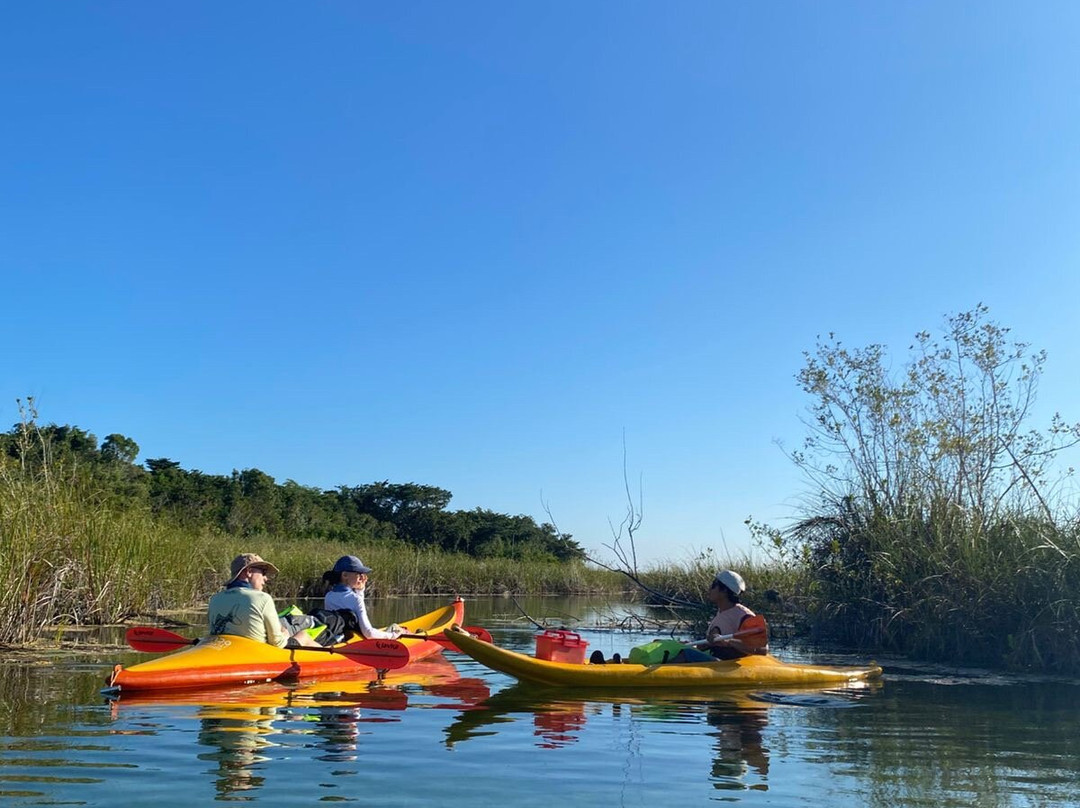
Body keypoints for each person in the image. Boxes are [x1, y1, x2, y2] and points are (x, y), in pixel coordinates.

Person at [208, 553, 322, 648]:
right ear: (249, 571)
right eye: (263, 572)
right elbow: (278, 643)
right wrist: (285, 635)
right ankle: (335, 662)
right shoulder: (262, 598)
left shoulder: (215, 599)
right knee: (303, 636)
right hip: (260, 653)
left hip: (228, 649)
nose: (265, 578)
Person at [322, 555, 404, 640]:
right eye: (359, 574)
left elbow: (348, 601)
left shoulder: (329, 596)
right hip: (357, 641)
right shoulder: (355, 599)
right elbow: (368, 632)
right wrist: (392, 636)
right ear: (345, 575)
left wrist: (360, 590)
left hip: (340, 638)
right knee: (395, 627)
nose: (362, 577)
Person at [698, 569, 767, 660]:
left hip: (729, 665)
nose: (709, 589)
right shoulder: (721, 612)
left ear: (725, 591)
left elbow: (761, 649)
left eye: (714, 585)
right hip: (716, 660)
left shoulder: (745, 616)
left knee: (683, 655)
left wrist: (727, 642)